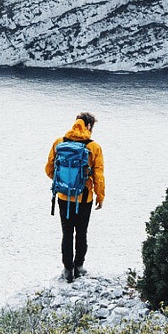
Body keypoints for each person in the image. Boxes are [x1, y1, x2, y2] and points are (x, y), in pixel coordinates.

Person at [45, 112, 105, 281]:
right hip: (84, 198)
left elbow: (49, 169)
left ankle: (67, 269)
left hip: (64, 197)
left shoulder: (59, 143)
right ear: (88, 126)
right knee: (81, 233)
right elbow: (99, 175)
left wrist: (65, 184)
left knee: (67, 233)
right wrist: (100, 196)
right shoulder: (94, 147)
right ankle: (79, 267)